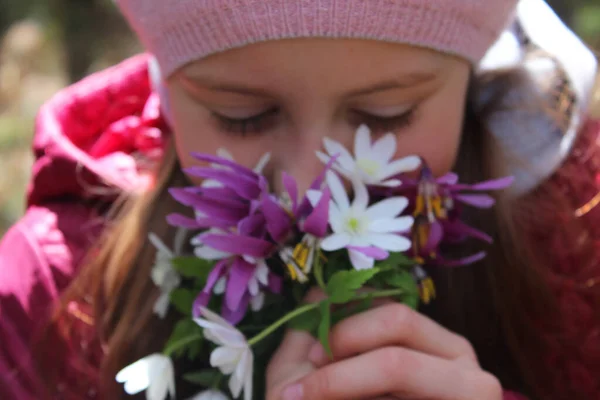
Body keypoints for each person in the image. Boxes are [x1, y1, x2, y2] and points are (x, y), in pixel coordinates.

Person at [0, 0, 598, 399]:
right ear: (169, 87)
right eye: (244, 117)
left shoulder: (579, 242)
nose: (312, 189)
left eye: (384, 115)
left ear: (469, 78)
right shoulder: (51, 293)